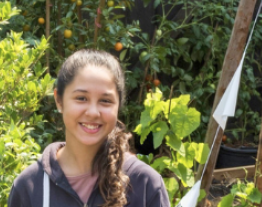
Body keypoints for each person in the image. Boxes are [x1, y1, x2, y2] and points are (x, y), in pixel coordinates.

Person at [9, 50, 168, 207]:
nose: (93, 112)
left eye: (105, 101)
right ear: (59, 100)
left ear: (119, 105)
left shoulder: (145, 184)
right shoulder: (30, 186)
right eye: (81, 98)